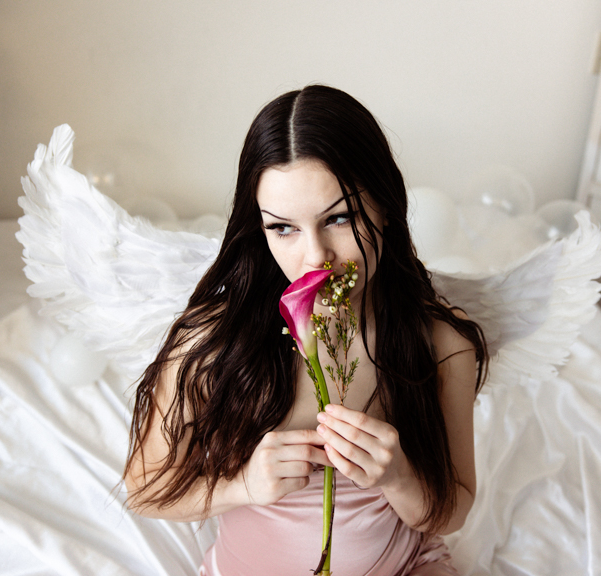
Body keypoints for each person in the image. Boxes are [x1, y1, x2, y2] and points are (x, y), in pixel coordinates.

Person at [122, 84, 488, 576]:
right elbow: (144, 490)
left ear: (385, 206)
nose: (316, 257)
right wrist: (243, 485)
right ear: (259, 228)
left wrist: (398, 477)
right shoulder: (214, 343)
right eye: (283, 228)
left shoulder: (439, 344)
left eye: (339, 218)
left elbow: (453, 512)